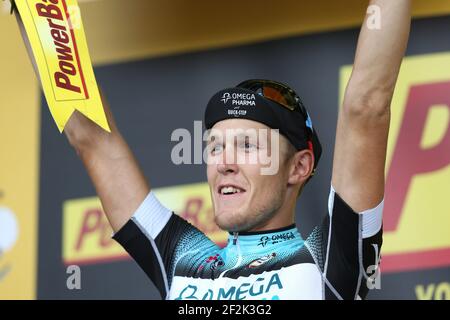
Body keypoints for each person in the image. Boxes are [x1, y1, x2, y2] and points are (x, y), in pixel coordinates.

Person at [18, 0, 411, 299]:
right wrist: (39, 9)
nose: (223, 163)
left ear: (299, 166)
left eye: (247, 145)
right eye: (215, 146)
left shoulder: (330, 260)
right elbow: (92, 138)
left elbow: (366, 107)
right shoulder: (185, 261)